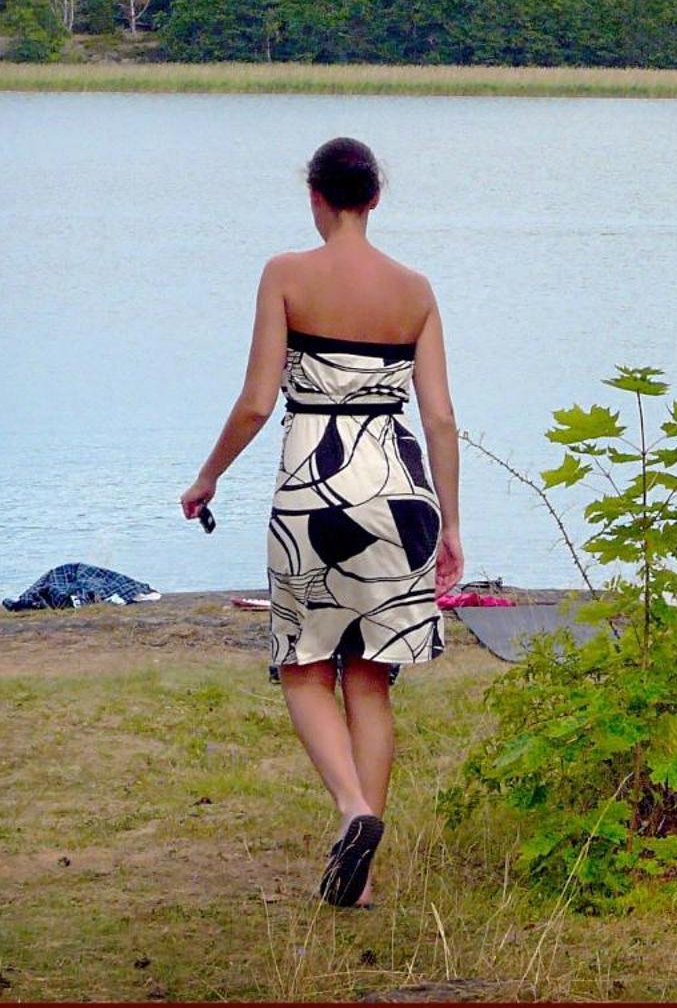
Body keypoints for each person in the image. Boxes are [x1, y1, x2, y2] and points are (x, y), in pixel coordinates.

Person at [180, 137, 463, 909]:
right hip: (402, 491)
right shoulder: (416, 290)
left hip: (314, 487)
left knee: (304, 664)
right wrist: (451, 525)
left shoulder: (285, 275)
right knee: (371, 680)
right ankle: (360, 880)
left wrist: (208, 477)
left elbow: (256, 401)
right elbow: (439, 417)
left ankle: (353, 812)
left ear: (316, 197)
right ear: (374, 199)